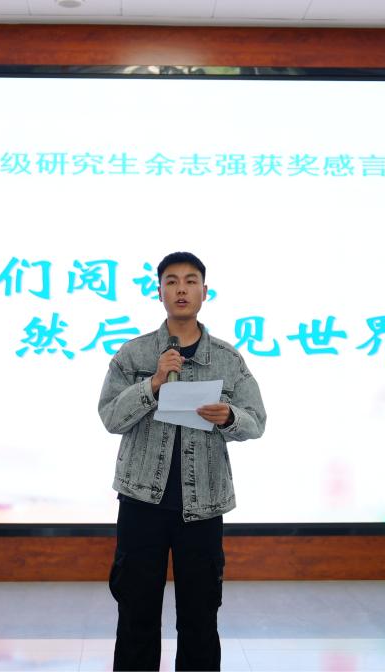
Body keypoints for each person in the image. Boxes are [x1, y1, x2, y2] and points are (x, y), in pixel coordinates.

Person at [98, 251, 267, 671]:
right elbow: (110, 417)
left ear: (204, 292)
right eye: (171, 281)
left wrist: (229, 416)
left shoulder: (227, 358)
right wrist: (153, 383)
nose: (181, 289)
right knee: (136, 613)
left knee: (199, 616)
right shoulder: (134, 354)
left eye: (190, 281)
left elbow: (256, 421)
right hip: (141, 502)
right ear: (159, 292)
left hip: (203, 505)